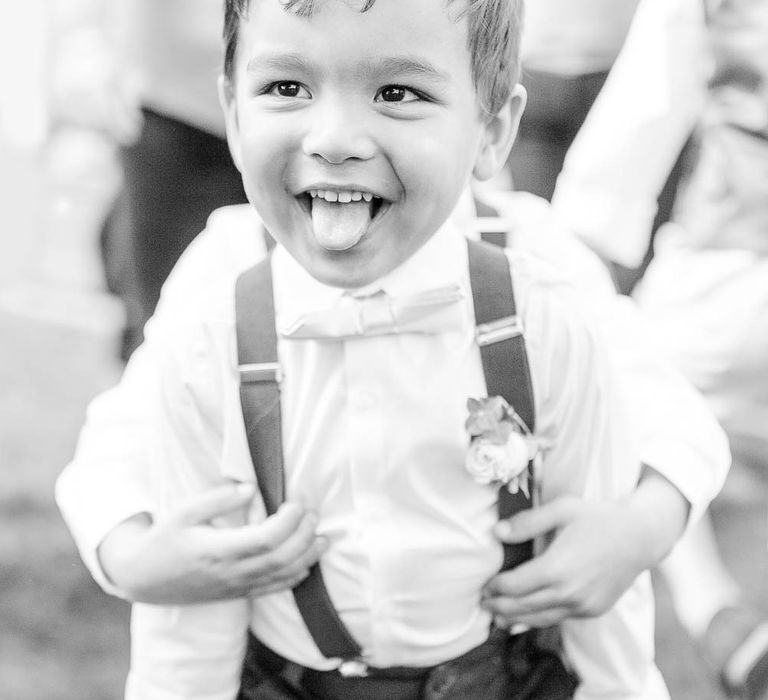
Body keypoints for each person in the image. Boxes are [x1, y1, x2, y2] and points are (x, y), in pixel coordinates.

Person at [56, 0, 730, 697]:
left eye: (397, 93)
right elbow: (121, 445)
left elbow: (672, 424)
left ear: (492, 129)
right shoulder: (220, 286)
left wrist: (638, 530)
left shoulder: (539, 276)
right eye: (288, 87)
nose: (336, 139)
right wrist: (131, 555)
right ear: (232, 112)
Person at [551, 0, 768, 697]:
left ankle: (712, 607)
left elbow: (624, 153)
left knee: (641, 391)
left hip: (730, 285)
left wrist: (561, 281)